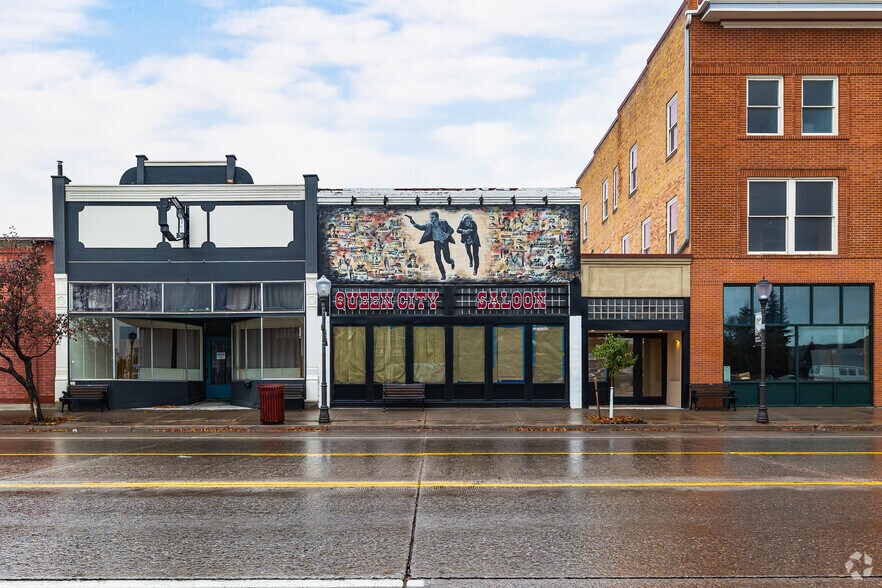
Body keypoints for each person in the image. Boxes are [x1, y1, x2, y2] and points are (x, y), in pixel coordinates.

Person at [406, 211, 455, 280]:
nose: (431, 219)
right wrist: (412, 221)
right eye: (430, 217)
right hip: (437, 243)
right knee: (438, 259)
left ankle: (451, 261)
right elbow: (421, 227)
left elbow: (451, 230)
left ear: (437, 218)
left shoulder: (444, 223)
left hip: (444, 243)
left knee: (447, 259)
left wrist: (447, 234)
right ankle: (443, 274)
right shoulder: (428, 224)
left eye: (432, 217)